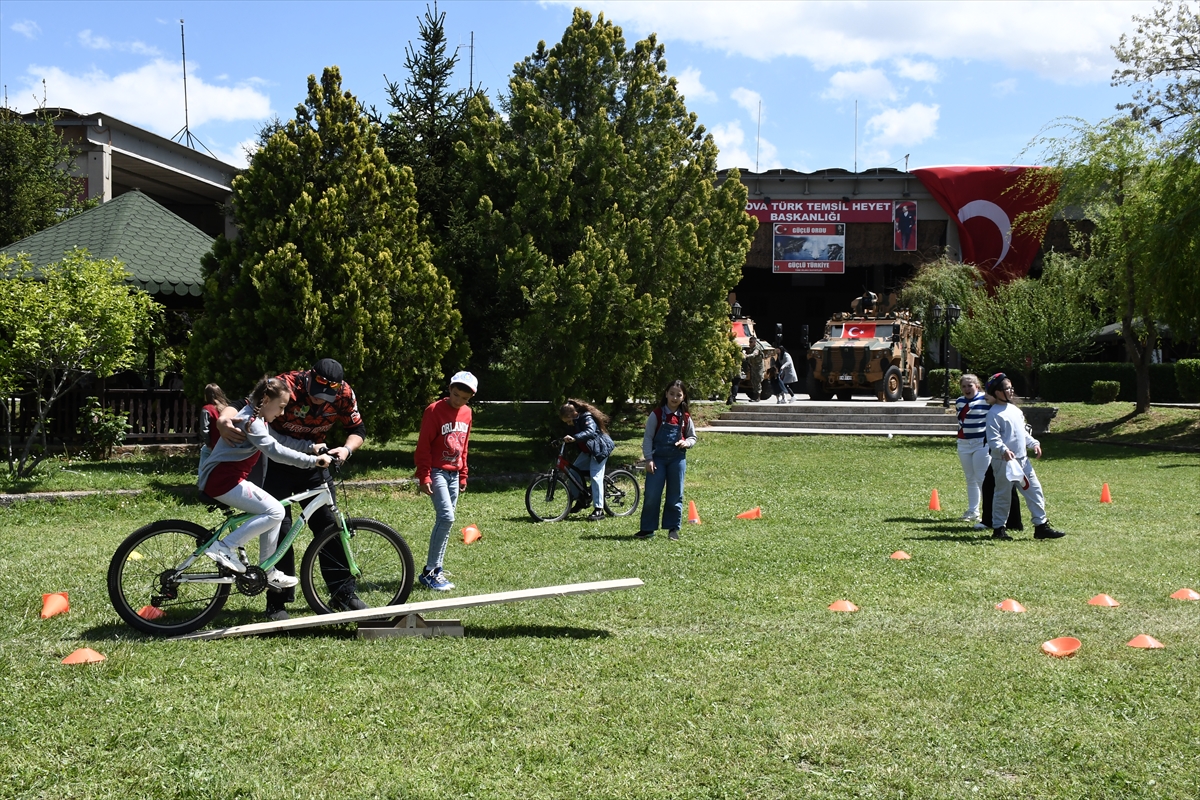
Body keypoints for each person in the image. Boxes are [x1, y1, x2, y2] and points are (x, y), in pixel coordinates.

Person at [215, 358, 365, 621]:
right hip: (277, 464)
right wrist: (222, 421)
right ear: (308, 379)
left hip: (315, 464)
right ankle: (277, 601)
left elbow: (357, 429)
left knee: (329, 526)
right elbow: (242, 405)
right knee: (279, 527)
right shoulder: (287, 383)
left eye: (326, 397)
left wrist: (347, 449)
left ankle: (343, 594)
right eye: (316, 395)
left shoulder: (344, 394)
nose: (320, 402)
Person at [198, 376, 332, 589]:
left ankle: (268, 571)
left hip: (228, 480)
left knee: (276, 512)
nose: (281, 413)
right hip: (223, 481)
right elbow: (275, 451)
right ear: (266, 399)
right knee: (276, 511)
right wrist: (313, 462)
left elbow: (278, 440)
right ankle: (224, 547)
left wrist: (310, 446)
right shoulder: (250, 422)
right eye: (280, 406)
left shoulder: (256, 418)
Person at [415, 371, 477, 591]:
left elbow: (464, 445)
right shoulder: (433, 411)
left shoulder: (467, 413)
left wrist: (463, 474)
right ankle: (430, 571)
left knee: (447, 522)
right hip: (437, 470)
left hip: (454, 473)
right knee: (447, 517)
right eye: (455, 394)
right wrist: (424, 475)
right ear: (450, 389)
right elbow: (423, 446)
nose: (458, 400)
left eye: (464, 398)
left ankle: (437, 569)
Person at [984, 373, 1065, 541]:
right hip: (1004, 463)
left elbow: (1023, 433)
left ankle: (1041, 526)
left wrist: (1034, 443)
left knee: (1035, 491)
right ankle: (999, 528)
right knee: (1003, 495)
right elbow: (993, 439)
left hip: (1022, 461)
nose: (1011, 391)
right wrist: (1003, 450)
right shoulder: (994, 414)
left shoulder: (1015, 410)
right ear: (997, 392)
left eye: (1011, 387)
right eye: (1007, 388)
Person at [636, 380, 697, 541]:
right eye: (672, 394)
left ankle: (673, 529)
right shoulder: (656, 414)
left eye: (679, 395)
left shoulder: (685, 417)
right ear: (666, 394)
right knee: (652, 494)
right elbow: (648, 438)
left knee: (675, 495)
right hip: (657, 460)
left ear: (683, 397)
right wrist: (648, 459)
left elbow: (692, 436)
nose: (674, 398)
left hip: (677, 459)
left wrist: (687, 443)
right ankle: (647, 529)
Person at [560, 399, 616, 522]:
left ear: (574, 414)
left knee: (595, 476)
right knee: (573, 472)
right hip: (588, 451)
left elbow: (590, 432)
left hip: (599, 449)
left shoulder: (586, 417)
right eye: (566, 422)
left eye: (569, 421)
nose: (569, 424)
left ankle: (599, 509)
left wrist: (574, 438)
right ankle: (581, 500)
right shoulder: (573, 422)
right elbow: (570, 435)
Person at [955, 374, 990, 529]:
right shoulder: (959, 402)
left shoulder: (986, 399)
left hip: (981, 444)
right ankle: (972, 511)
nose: (967, 389)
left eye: (970, 385)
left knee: (982, 478)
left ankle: (988, 512)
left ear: (977, 385)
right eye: (964, 386)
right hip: (963, 444)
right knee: (970, 478)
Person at [198, 383, 229, 473]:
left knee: (204, 457)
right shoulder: (226, 408)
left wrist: (208, 443)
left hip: (213, 444)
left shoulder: (207, 409)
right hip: (225, 443)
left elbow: (204, 429)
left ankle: (202, 481)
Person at [745, 337, 767, 401]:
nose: (750, 343)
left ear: (755, 342)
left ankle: (758, 397)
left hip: (758, 368)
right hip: (754, 367)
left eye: (751, 342)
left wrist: (747, 356)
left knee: (757, 382)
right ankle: (754, 396)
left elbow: (755, 354)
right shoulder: (752, 348)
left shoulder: (757, 348)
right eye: (749, 342)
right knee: (753, 382)